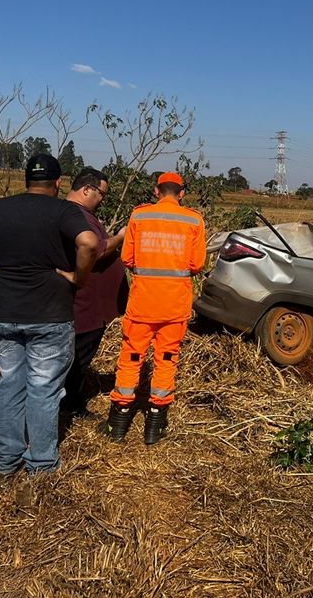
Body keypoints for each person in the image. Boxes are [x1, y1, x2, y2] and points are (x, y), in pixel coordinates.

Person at [0, 154, 98, 484]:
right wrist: (78, 277)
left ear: (26, 179)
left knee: (9, 385)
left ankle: (5, 463)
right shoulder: (64, 211)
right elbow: (88, 241)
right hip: (50, 315)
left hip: (8, 314)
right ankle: (41, 466)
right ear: (58, 183)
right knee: (43, 390)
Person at [101, 171, 206, 445]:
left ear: (156, 192)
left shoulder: (140, 216)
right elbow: (197, 265)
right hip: (174, 306)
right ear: (182, 194)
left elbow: (127, 258)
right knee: (167, 359)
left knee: (132, 357)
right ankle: (155, 422)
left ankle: (119, 421)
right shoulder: (194, 219)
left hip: (142, 304)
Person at [61, 167, 128, 418]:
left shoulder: (80, 215)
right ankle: (71, 404)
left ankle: (70, 399)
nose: (102, 199)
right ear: (87, 189)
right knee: (77, 357)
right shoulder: (73, 216)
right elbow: (96, 250)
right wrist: (120, 237)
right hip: (85, 305)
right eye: (101, 194)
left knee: (79, 355)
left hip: (91, 306)